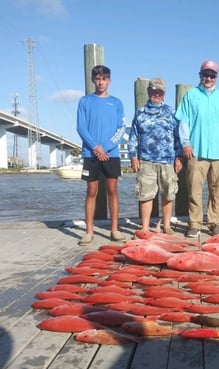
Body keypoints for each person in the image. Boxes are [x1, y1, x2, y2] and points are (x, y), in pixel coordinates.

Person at [175, 60, 219, 237]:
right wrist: (185, 142)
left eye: (212, 75)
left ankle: (214, 223)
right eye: (205, 74)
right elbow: (183, 122)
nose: (209, 78)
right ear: (200, 75)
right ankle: (194, 223)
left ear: (216, 77)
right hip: (196, 152)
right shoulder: (190, 95)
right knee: (194, 190)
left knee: (216, 191)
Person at [76, 65, 126, 246]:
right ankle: (89, 231)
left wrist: (105, 147)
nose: (101, 82)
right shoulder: (84, 101)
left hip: (111, 154)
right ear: (93, 80)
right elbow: (81, 127)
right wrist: (95, 148)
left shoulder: (117, 103)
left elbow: (121, 129)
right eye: (97, 78)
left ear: (109, 81)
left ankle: (115, 230)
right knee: (91, 191)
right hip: (91, 154)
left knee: (112, 190)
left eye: (104, 78)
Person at [128, 78, 182, 235]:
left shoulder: (171, 112)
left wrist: (179, 157)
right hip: (146, 161)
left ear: (164, 94)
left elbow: (178, 136)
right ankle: (145, 227)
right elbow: (133, 136)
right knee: (146, 195)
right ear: (149, 91)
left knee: (168, 194)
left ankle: (167, 226)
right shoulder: (139, 112)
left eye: (160, 92)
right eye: (154, 90)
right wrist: (133, 156)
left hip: (168, 161)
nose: (157, 94)